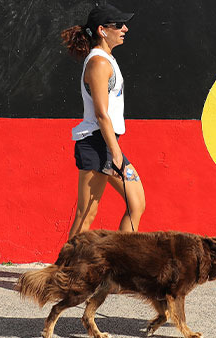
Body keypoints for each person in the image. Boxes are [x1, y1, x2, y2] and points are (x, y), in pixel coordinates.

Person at [60, 4, 145, 239]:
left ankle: (123, 264)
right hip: (97, 145)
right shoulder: (98, 63)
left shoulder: (106, 59)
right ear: (102, 30)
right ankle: (64, 271)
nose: (125, 28)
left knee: (136, 202)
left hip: (107, 144)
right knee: (86, 214)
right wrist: (115, 153)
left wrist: (114, 150)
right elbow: (101, 114)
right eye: (118, 25)